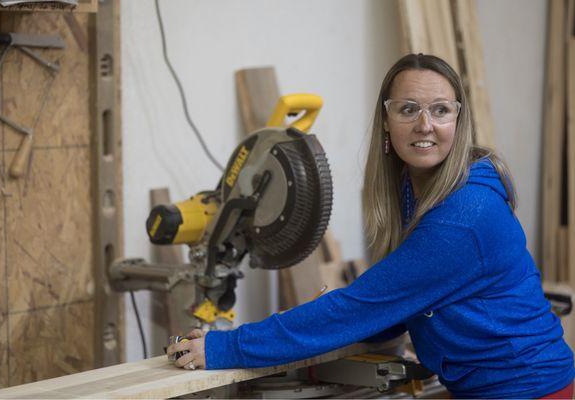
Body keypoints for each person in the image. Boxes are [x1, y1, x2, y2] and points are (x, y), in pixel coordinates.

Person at [168, 53, 575, 398]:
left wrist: (229, 345)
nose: (424, 125)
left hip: (528, 390)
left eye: (441, 110)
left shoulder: (464, 214)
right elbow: (403, 300)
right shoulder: (414, 190)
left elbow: (363, 307)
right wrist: (350, 316)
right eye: (408, 109)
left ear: (459, 121)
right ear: (386, 119)